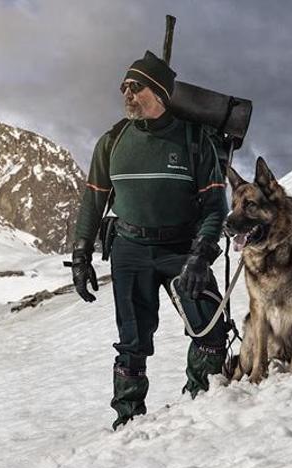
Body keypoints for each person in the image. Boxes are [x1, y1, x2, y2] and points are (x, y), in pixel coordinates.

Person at [70, 51, 230, 430]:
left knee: (209, 328)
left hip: (183, 249)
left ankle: (203, 405)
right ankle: (128, 423)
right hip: (129, 250)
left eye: (135, 86)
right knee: (132, 341)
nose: (126, 93)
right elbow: (92, 201)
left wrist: (202, 254)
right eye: (123, 86)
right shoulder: (113, 141)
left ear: (158, 92)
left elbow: (214, 206)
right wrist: (80, 255)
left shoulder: (194, 140)